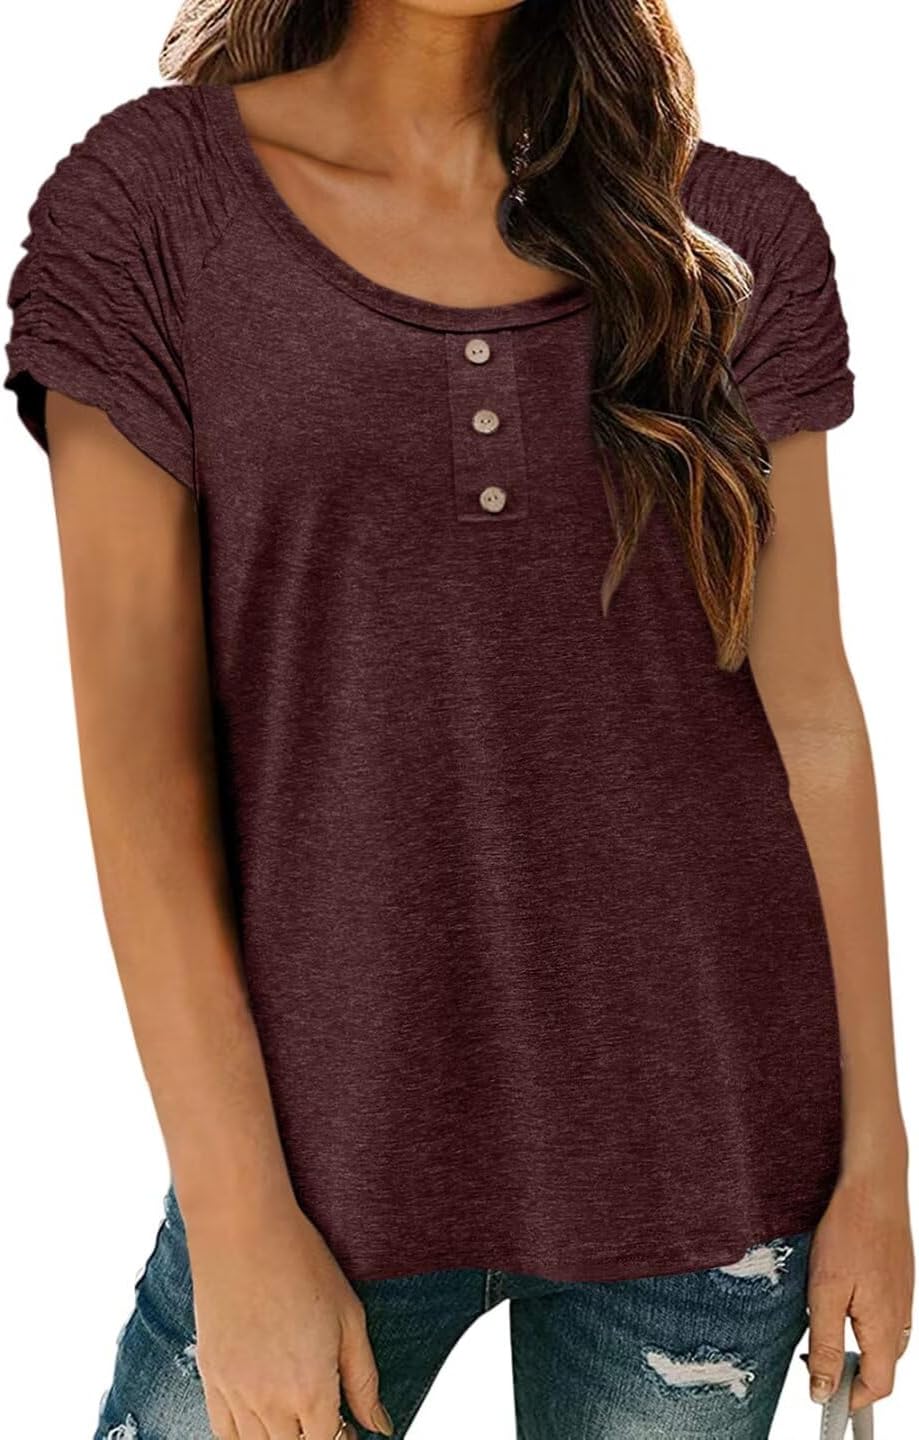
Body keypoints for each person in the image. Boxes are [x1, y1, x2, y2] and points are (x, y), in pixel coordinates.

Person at [4, 2, 913, 1438]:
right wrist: (238, 1226)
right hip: (329, 1155)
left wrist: (877, 1158)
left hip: (714, 1148)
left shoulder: (735, 231)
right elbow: (142, 775)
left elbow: (809, 716)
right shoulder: (152, 211)